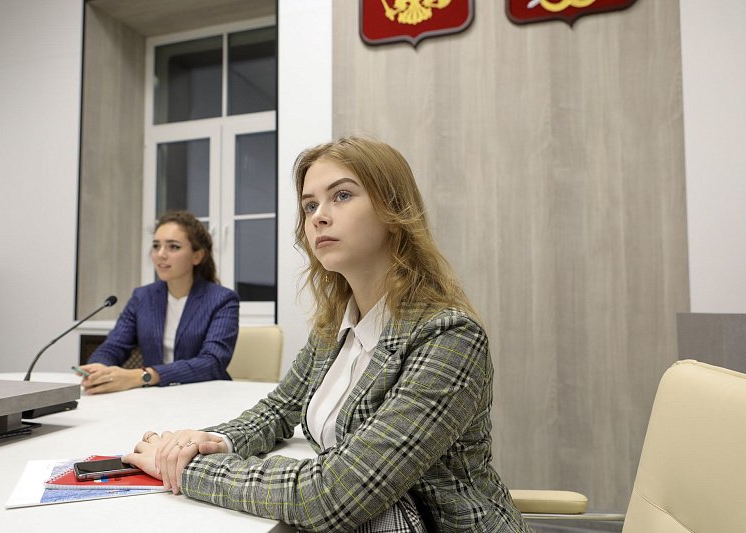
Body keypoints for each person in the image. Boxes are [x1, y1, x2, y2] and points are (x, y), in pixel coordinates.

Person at [123, 137, 531, 532]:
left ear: (393, 211)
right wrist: (209, 441)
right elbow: (278, 410)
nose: (318, 216)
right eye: (309, 205)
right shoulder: (333, 326)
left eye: (342, 196)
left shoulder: (448, 336)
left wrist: (190, 469)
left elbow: (332, 495)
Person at [79, 210, 239, 393]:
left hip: (205, 395)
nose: (160, 254)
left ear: (197, 256)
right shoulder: (143, 297)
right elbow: (114, 346)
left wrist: (144, 376)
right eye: (156, 246)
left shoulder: (222, 299)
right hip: (156, 397)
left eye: (173, 247)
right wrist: (99, 368)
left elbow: (212, 362)